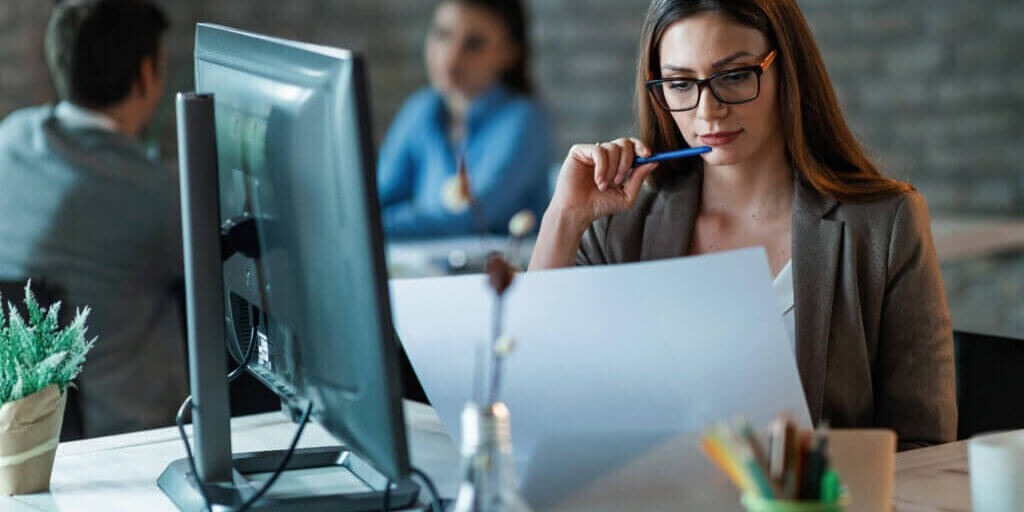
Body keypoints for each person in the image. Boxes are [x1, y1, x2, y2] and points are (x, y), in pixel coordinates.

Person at [530, 0, 956, 449]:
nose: (708, 112)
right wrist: (565, 217)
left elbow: (924, 444)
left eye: (734, 76)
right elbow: (536, 395)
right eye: (679, 83)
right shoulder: (619, 226)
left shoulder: (886, 224)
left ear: (786, 71)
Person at [0, 0, 186, 437]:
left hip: (25, 444)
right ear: (146, 75)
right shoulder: (154, 194)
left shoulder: (10, 140)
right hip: (128, 444)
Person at [377, 0, 553, 238]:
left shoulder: (524, 121)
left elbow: (468, 216)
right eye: (442, 35)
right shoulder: (421, 108)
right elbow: (379, 195)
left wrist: (369, 227)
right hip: (430, 268)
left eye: (474, 44)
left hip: (503, 270)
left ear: (509, 53)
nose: (450, 58)